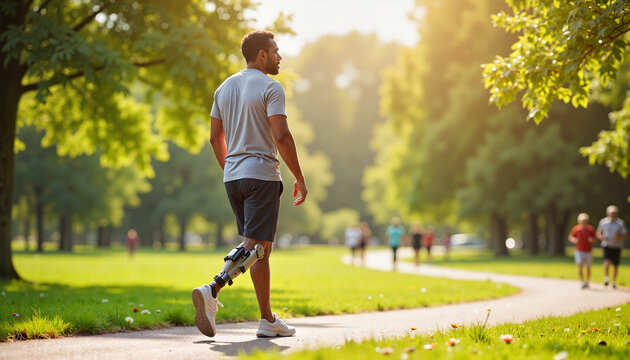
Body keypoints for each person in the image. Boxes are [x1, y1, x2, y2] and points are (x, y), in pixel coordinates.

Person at [192, 30, 307, 338]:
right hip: (262, 176)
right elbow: (281, 135)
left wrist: (230, 167)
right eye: (276, 51)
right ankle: (212, 289)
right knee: (255, 246)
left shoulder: (223, 88)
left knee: (260, 249)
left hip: (234, 178)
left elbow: (215, 137)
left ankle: (267, 319)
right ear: (262, 55)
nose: (279, 56)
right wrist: (299, 176)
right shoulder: (271, 87)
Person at [596, 205, 627, 289]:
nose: (613, 215)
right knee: (606, 261)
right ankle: (606, 278)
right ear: (608, 213)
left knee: (615, 265)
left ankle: (613, 281)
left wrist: (619, 237)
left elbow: (625, 234)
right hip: (607, 245)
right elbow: (598, 233)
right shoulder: (603, 222)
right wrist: (602, 237)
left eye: (614, 213)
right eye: (611, 213)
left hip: (617, 246)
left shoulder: (620, 223)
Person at [568, 213, 596, 289]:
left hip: (588, 251)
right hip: (579, 250)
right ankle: (582, 282)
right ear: (579, 221)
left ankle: (587, 282)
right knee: (580, 265)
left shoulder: (590, 229)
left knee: (588, 267)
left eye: (585, 221)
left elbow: (595, 238)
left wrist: (592, 240)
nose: (583, 222)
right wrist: (574, 240)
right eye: (582, 221)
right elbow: (570, 237)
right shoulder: (576, 229)